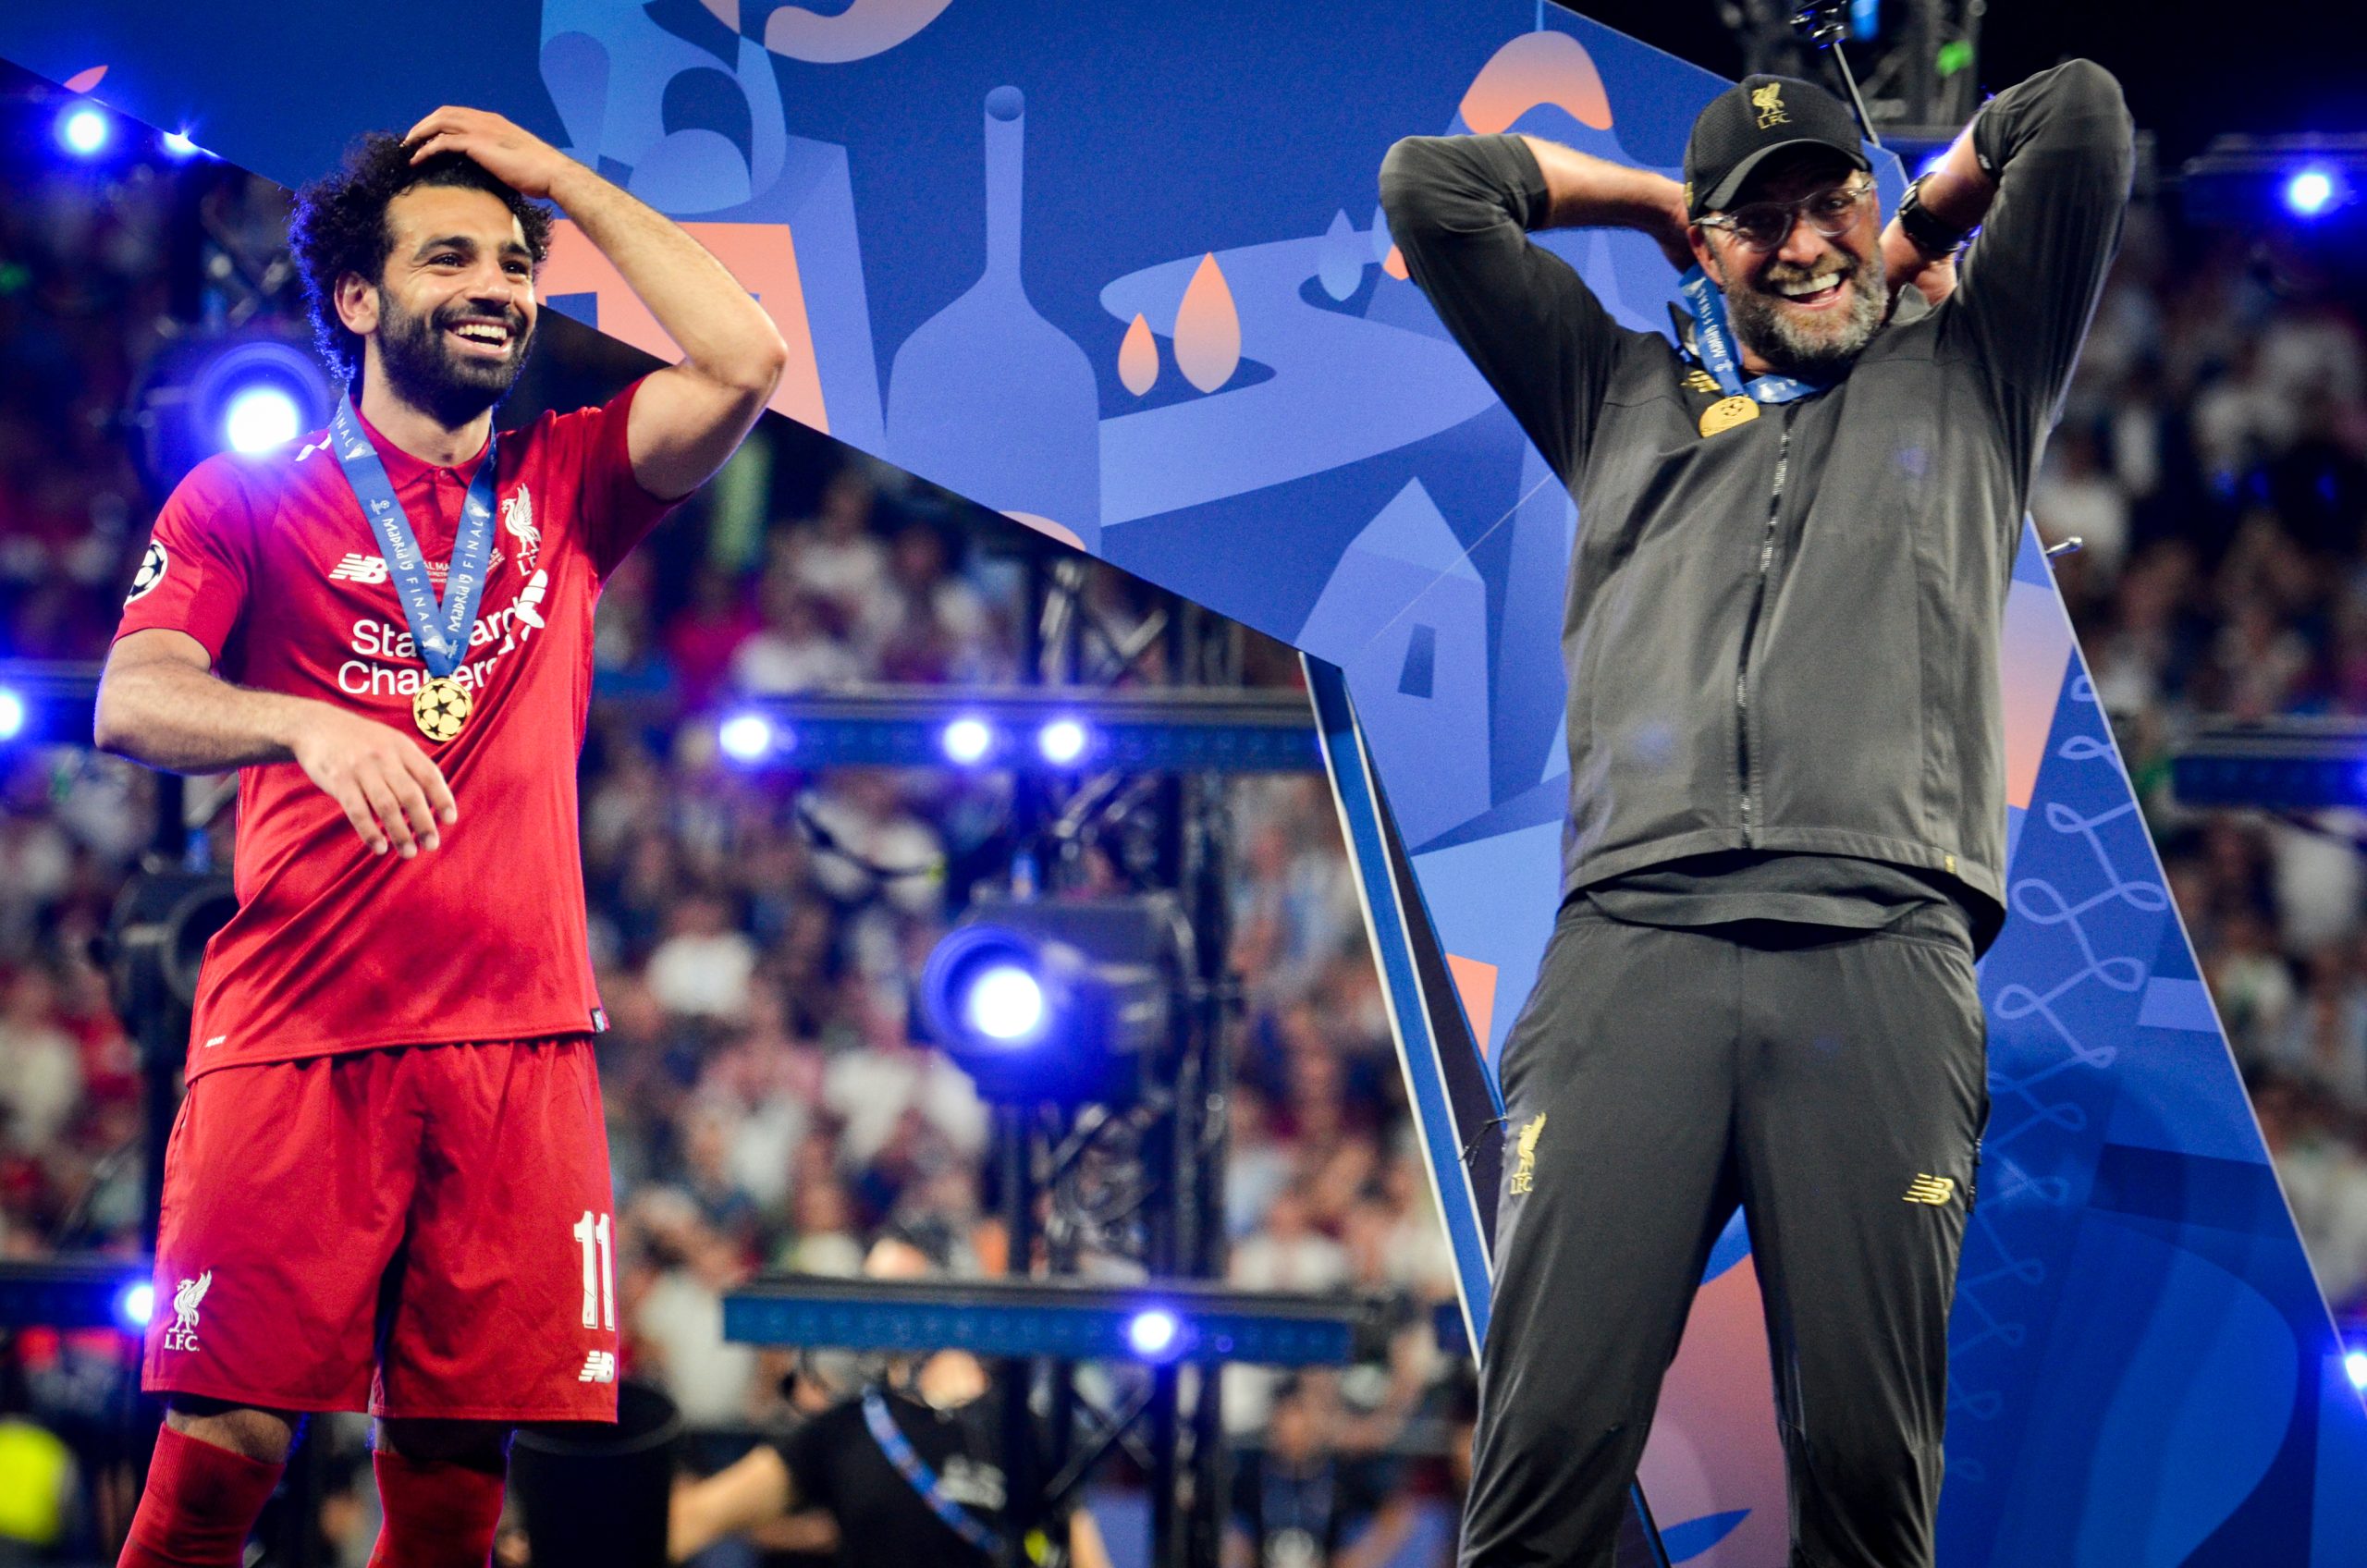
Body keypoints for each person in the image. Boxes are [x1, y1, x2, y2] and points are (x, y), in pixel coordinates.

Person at [1380, 59, 2131, 1568]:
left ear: (1867, 198)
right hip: (1631, 955)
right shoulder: (1614, 392)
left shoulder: (1980, 368)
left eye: (1825, 202)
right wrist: (1654, 197)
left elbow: (2082, 116)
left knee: (1865, 1476)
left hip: (1883, 947)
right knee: (1542, 1461)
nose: (1801, 244)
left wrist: (1919, 225)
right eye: (1756, 220)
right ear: (1708, 250)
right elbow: (1430, 188)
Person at [93, 106, 789, 1567]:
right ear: (357, 298)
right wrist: (304, 723)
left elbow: (745, 360)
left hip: (521, 1049)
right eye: (451, 255)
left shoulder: (570, 486)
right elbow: (133, 697)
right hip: (298, 1038)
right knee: (221, 1456)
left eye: (518, 261)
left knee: (458, 1476)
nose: (498, 282)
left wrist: (562, 185)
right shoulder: (247, 498)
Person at [666, 1236, 1112, 1568]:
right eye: (870, 1289)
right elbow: (697, 1518)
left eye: (895, 1290)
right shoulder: (848, 1427)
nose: (876, 1311)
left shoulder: (1022, 1428)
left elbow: (1086, 1555)